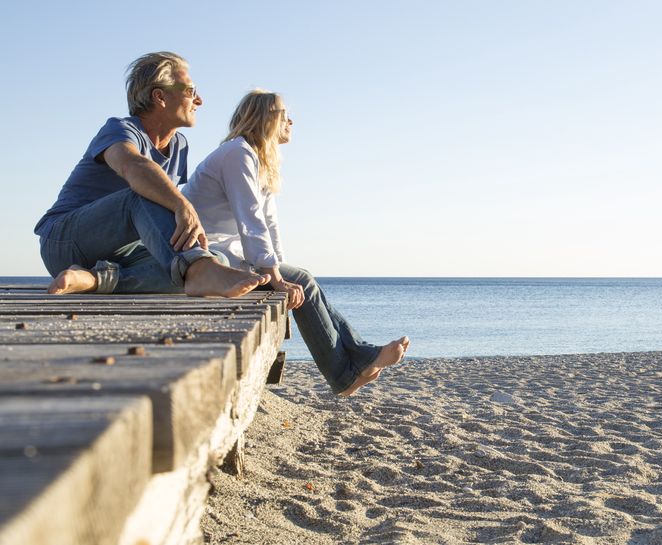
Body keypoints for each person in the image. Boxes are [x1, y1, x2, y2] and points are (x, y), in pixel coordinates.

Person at [181, 89, 409, 396]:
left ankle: (359, 360)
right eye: (283, 114)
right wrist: (277, 278)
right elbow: (251, 221)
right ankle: (346, 374)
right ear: (264, 118)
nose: (291, 120)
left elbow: (270, 225)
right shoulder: (238, 154)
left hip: (230, 254)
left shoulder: (258, 159)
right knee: (299, 279)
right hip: (208, 258)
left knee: (300, 278)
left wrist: (281, 273)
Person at [34, 52, 267, 297]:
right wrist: (182, 204)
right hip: (64, 242)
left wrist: (193, 249)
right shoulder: (119, 129)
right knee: (145, 193)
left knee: (216, 258)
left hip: (121, 252)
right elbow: (133, 167)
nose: (199, 100)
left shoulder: (179, 145)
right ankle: (197, 271)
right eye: (190, 90)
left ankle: (94, 279)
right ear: (160, 96)